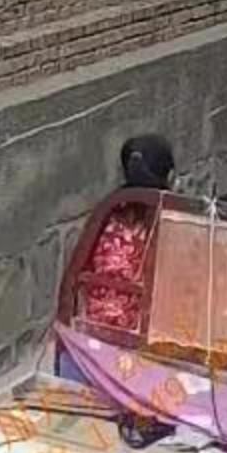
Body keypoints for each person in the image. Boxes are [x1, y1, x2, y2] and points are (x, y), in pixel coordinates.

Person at [82, 135, 176, 332]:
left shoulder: (108, 213)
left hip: (94, 325)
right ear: (169, 176)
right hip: (141, 332)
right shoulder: (168, 221)